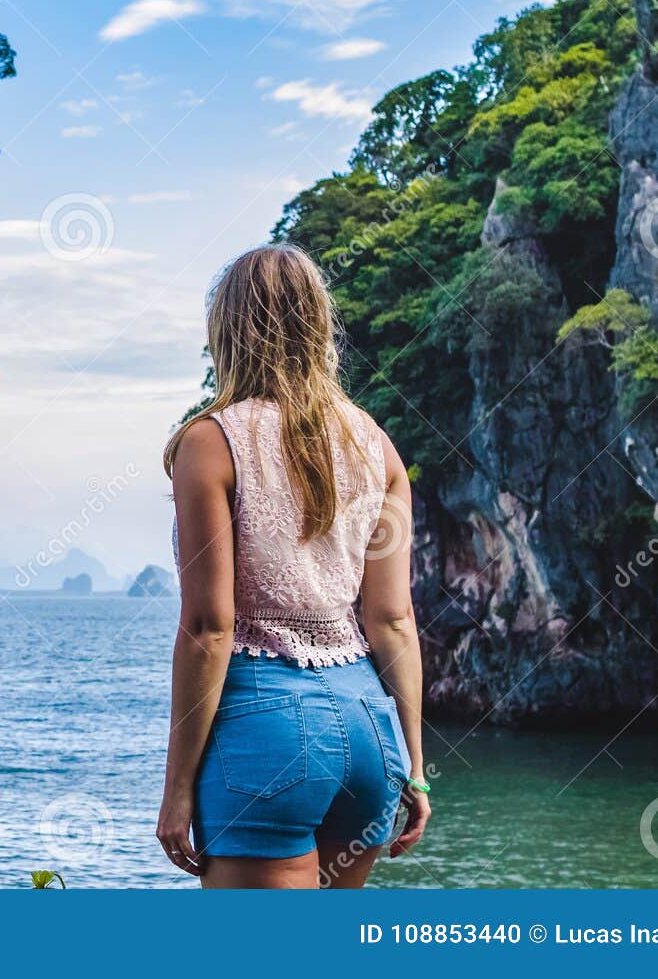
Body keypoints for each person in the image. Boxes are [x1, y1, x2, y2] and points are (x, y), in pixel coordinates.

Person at [156, 243, 431, 888]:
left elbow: (208, 626)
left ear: (227, 330)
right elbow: (393, 619)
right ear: (319, 324)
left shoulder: (212, 440)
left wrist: (176, 790)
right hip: (370, 732)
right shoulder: (376, 445)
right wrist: (415, 767)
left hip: (267, 729)